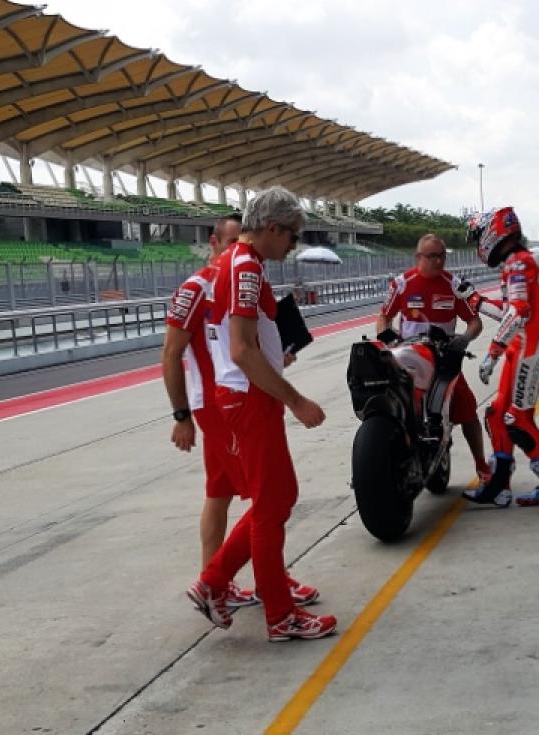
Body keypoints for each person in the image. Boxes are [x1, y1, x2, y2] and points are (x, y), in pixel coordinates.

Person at [186, 187, 337, 642]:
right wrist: (296, 399)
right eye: (291, 237)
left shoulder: (238, 262)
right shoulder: (247, 267)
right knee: (272, 506)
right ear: (272, 228)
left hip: (245, 395)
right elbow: (243, 350)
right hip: (250, 397)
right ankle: (279, 614)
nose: (292, 246)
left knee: (278, 497)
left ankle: (213, 582)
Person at [162, 214, 317, 611]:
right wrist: (181, 414)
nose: (237, 250)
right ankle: (226, 581)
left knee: (227, 493)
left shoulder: (237, 277)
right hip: (222, 403)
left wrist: (275, 359)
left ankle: (223, 580)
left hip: (230, 396)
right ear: (215, 243)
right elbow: (171, 352)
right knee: (267, 499)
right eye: (230, 242)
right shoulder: (200, 285)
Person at [463, 207, 539, 507]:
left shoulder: (518, 265)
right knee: (496, 415)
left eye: (479, 236)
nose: (479, 244)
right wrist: (474, 299)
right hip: (522, 348)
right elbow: (511, 309)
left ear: (493, 233)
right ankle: (499, 486)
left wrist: (491, 353)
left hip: (530, 351)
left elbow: (518, 312)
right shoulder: (517, 262)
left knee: (516, 419)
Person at [375, 234, 492, 484]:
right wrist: (385, 335)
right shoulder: (401, 284)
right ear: (418, 258)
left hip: (443, 356)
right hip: (408, 357)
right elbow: (384, 317)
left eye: (442, 256)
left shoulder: (454, 285)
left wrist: (464, 339)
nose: (438, 261)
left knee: (468, 408)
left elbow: (475, 321)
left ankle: (482, 467)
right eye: (432, 256)